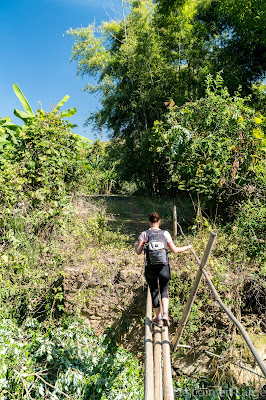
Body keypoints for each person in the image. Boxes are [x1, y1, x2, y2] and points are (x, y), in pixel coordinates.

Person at [135, 212, 192, 327]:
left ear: (149, 222)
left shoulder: (144, 234)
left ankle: (158, 318)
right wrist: (188, 247)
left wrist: (137, 244)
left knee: (154, 291)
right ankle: (165, 313)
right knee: (164, 290)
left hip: (150, 267)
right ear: (159, 221)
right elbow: (175, 250)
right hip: (164, 267)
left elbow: (138, 251)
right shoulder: (165, 233)